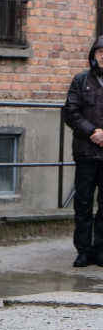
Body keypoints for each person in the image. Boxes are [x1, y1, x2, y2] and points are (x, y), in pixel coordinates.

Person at [63, 36, 103, 267]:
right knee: (83, 203)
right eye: (99, 52)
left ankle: (100, 249)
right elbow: (71, 111)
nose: (102, 57)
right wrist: (93, 132)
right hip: (86, 152)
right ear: (93, 56)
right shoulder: (81, 81)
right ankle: (83, 250)